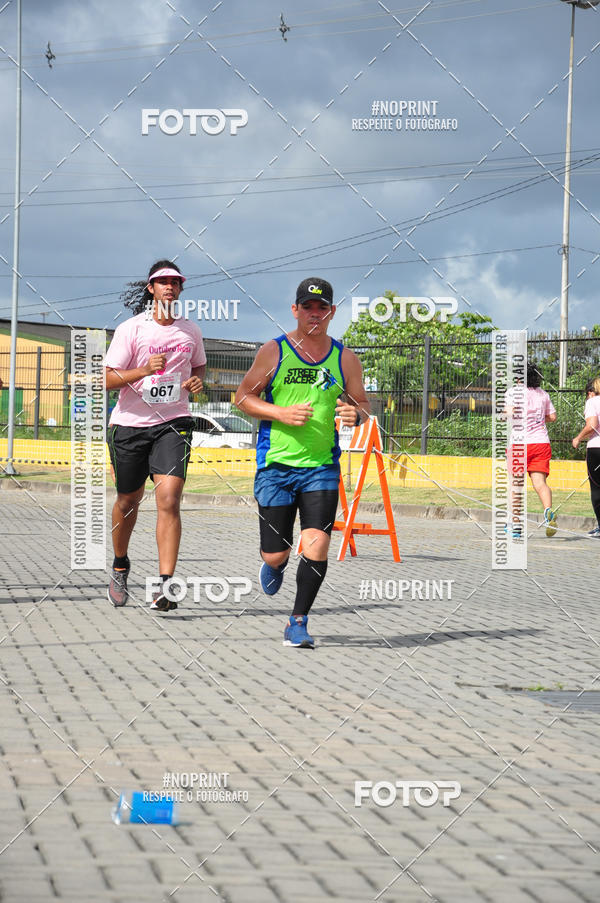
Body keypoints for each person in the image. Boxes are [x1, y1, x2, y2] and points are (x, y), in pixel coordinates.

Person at [235, 277, 370, 648]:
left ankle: (298, 622)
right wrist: (279, 413)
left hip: (321, 468)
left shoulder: (345, 358)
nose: (314, 314)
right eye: (307, 307)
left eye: (321, 307)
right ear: (295, 310)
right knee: (276, 551)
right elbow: (243, 397)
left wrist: (354, 414)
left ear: (332, 312)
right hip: (275, 467)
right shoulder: (274, 351)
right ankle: (274, 563)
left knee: (316, 544)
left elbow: (361, 403)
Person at [104, 259, 206, 610]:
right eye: (162, 282)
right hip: (130, 425)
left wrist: (196, 381)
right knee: (128, 501)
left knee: (169, 499)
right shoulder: (131, 329)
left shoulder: (190, 330)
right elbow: (107, 379)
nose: (169, 287)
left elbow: (199, 365)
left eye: (175, 282)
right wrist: (144, 369)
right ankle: (120, 564)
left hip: (173, 422)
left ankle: (165, 586)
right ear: (151, 288)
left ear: (180, 288)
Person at [506, 363, 557, 538]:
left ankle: (516, 526)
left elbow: (509, 412)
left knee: (516, 486)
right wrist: (537, 419)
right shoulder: (543, 394)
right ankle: (548, 512)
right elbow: (552, 417)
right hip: (541, 443)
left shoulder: (513, 392)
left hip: (519, 444)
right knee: (540, 484)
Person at [572, 377, 600, 537]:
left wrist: (578, 438)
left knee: (597, 489)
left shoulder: (592, 402)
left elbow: (592, 424)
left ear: (590, 392)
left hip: (597, 448)